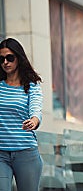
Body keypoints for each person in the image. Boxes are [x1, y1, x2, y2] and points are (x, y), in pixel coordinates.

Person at [0, 37, 43, 191]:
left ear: (19, 58)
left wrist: (34, 120)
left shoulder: (31, 86)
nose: (5, 62)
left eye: (10, 58)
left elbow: (36, 107)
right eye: (2, 58)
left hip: (26, 153)